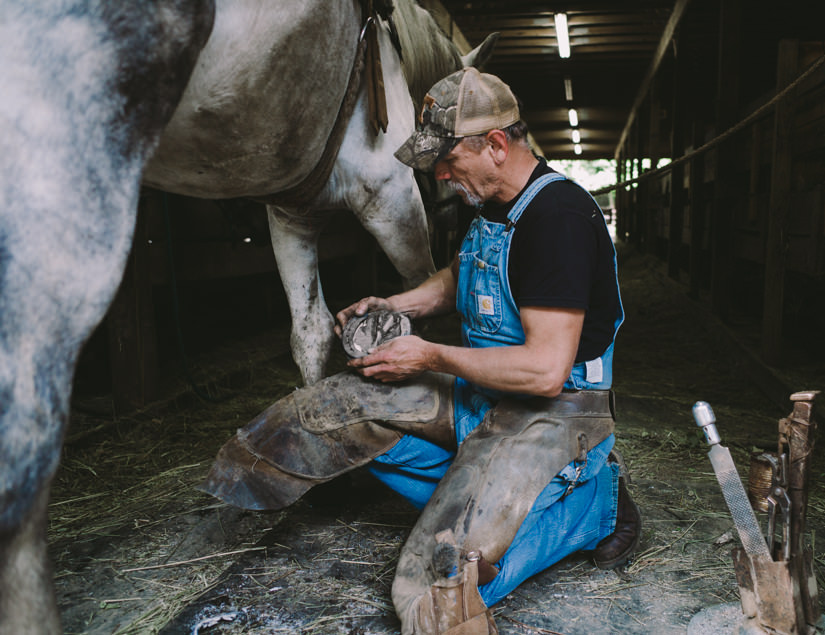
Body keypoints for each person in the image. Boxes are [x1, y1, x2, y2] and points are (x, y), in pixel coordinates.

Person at [200, 67, 640, 635]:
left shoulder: (559, 220)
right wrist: (397, 306)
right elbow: (464, 274)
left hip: (552, 416)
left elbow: (544, 371)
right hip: (482, 398)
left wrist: (430, 356)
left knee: (435, 584)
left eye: (448, 162)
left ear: (497, 146)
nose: (440, 176)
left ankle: (593, 505)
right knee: (337, 418)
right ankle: (486, 491)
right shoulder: (492, 206)